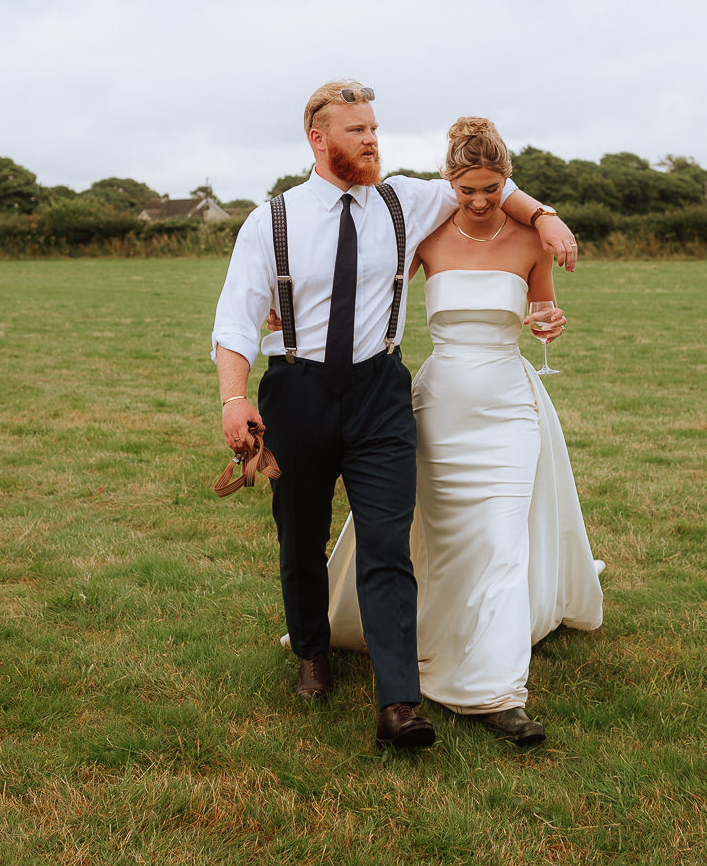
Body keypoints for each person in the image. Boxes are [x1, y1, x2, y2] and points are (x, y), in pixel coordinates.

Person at [211, 81, 579, 749]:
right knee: (300, 533)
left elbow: (492, 181)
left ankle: (399, 702)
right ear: (319, 140)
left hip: (382, 391)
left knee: (388, 539)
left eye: (374, 128)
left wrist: (546, 214)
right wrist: (235, 399)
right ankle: (313, 652)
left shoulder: (407, 198)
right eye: (356, 131)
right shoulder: (273, 220)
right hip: (295, 388)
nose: (372, 140)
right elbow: (235, 319)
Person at [319, 116, 604, 747]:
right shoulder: (426, 233)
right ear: (449, 182)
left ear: (509, 180)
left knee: (503, 545)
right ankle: (427, 643)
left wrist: (546, 322)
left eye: (493, 188)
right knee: (442, 540)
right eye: (467, 189)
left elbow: (540, 307)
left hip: (507, 411)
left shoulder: (531, 238)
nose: (479, 201)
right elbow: (375, 296)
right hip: (439, 409)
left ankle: (499, 693)